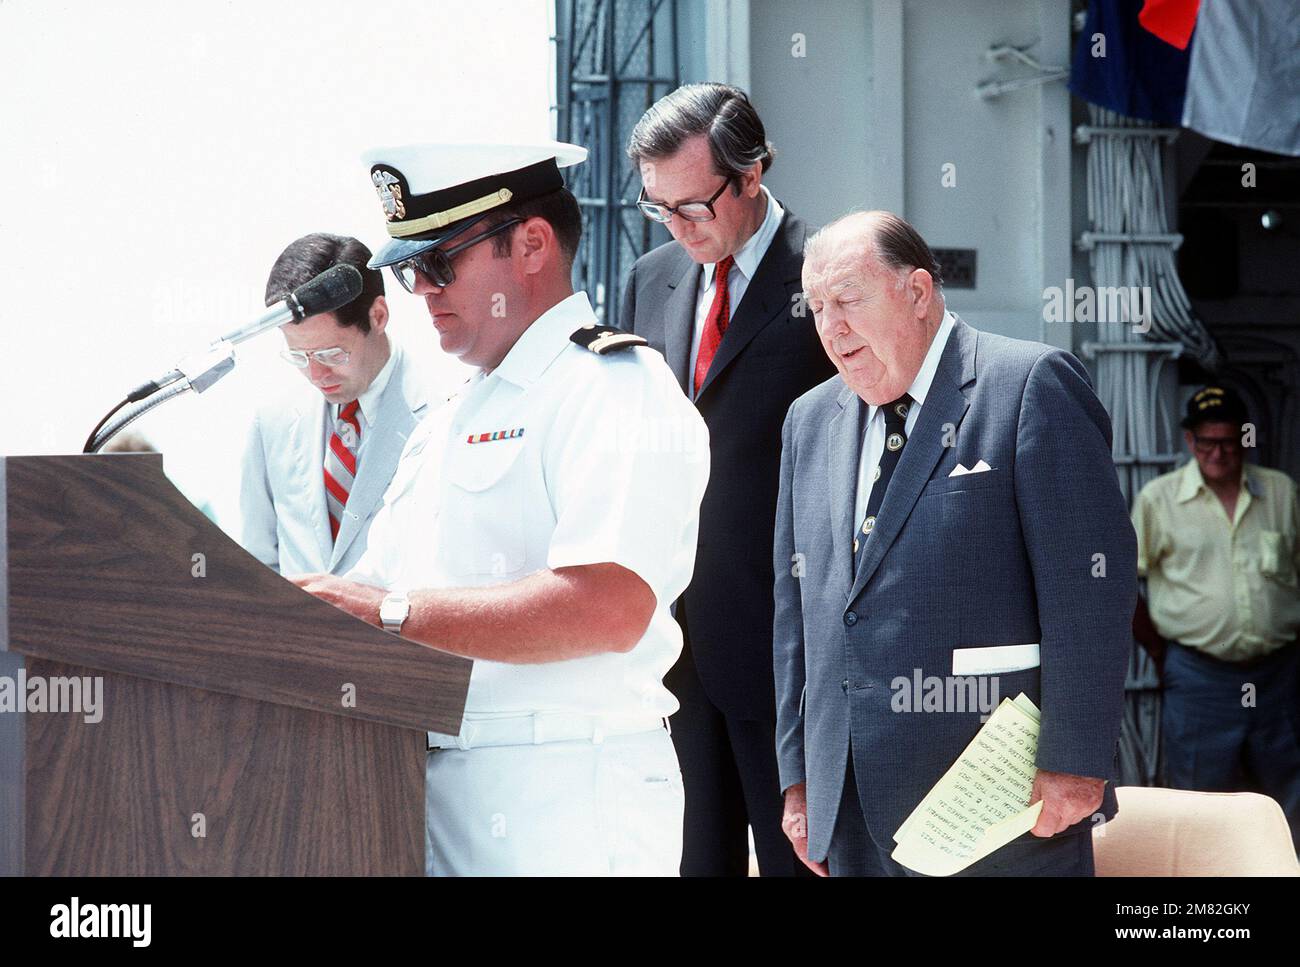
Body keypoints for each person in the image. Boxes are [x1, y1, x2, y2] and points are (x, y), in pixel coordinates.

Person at [292, 142, 711, 876]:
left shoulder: (615, 388)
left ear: (532, 245)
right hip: (432, 790)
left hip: (568, 796)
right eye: (410, 270)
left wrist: (388, 614)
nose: (423, 290)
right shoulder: (450, 416)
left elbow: (609, 606)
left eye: (439, 262)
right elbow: (368, 590)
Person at [773, 211, 1137, 876]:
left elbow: (1090, 590)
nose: (831, 327)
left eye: (848, 299)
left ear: (917, 292)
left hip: (1001, 811)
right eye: (817, 307)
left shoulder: (1029, 384)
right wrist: (799, 778)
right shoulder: (809, 419)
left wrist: (1076, 760)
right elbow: (797, 615)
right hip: (846, 807)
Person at [619, 83, 834, 877]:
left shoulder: (826, 274)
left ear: (751, 174)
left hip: (791, 650)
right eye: (659, 209)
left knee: (800, 862)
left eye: (691, 206)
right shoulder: (650, 279)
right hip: (673, 652)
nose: (678, 227)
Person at [1132, 385, 1300, 849]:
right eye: (1207, 441)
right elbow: (1124, 584)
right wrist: (1159, 652)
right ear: (1190, 441)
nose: (1218, 453)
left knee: (1290, 791)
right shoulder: (1159, 499)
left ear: (1245, 438)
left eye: (1228, 441)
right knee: (1199, 799)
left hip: (1278, 674)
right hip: (1198, 676)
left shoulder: (1281, 493)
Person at [238, 233, 427, 576]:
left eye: (331, 354)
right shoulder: (272, 423)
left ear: (378, 316)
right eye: (299, 356)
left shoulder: (444, 412)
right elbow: (258, 567)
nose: (316, 374)